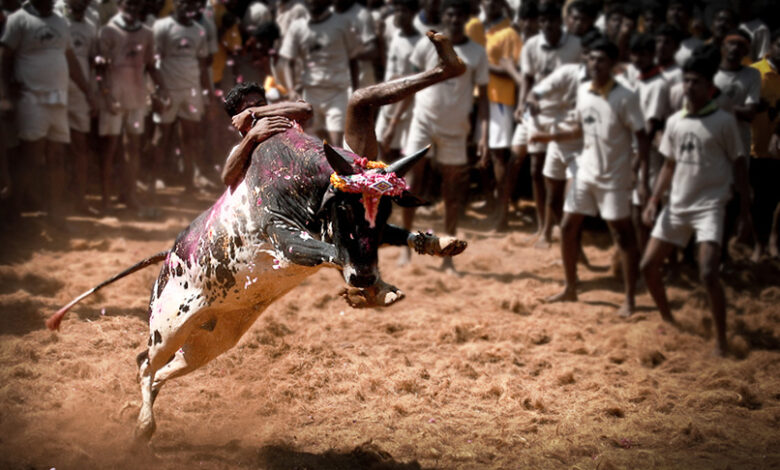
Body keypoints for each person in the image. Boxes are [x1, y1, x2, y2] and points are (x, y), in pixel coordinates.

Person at [640, 54, 752, 357]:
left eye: (696, 82)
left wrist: (744, 210)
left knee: (707, 273)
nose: (689, 86)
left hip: (710, 207)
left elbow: (739, 163)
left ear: (709, 85)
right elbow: (668, 166)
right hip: (676, 205)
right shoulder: (675, 121)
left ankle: (721, 341)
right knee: (648, 266)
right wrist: (653, 200)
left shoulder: (724, 121)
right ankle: (668, 319)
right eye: (686, 80)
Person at [546, 39, 649, 319]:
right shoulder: (583, 91)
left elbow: (642, 137)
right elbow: (579, 128)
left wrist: (640, 175)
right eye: (591, 59)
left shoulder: (626, 97)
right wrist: (551, 135)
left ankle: (629, 299)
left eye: (601, 60)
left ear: (614, 65)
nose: (594, 64)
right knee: (567, 228)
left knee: (622, 235)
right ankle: (570, 287)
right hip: (586, 171)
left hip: (615, 176)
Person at [400, 0, 488, 272]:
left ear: (466, 18)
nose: (454, 18)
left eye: (459, 13)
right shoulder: (427, 45)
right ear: (444, 16)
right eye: (450, 13)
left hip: (456, 128)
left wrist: (483, 135)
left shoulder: (477, 52)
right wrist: (394, 121)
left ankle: (447, 255)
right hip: (423, 121)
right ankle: (406, 247)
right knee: (411, 185)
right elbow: (410, 84)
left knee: (452, 192)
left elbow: (483, 100)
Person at [0, 0, 96, 223]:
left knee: (57, 157)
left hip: (58, 100)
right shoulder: (19, 20)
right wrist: (7, 90)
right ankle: (15, 212)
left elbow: (71, 60)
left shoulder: (60, 21)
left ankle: (55, 213)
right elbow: (6, 57)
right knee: (31, 156)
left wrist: (88, 92)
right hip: (31, 99)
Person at [512, 2, 580, 241]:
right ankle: (543, 226)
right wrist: (521, 104)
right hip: (538, 112)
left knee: (556, 175)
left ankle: (558, 225)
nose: (548, 25)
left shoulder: (575, 45)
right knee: (535, 170)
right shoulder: (531, 45)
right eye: (543, 21)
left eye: (552, 20)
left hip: (564, 115)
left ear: (560, 21)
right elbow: (527, 79)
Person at [97, 0, 163, 211]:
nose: (132, 9)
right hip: (114, 99)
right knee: (110, 148)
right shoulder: (108, 31)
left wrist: (163, 89)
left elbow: (151, 65)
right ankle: (106, 199)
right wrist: (107, 95)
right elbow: (100, 70)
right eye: (128, 4)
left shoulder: (146, 33)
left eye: (136, 5)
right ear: (119, 4)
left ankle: (130, 195)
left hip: (136, 98)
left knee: (133, 147)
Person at [464, 0, 521, 230]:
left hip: (499, 99)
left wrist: (482, 65)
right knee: (480, 154)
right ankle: (490, 202)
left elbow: (514, 71)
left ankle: (502, 211)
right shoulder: (475, 27)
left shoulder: (509, 34)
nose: (491, 4)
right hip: (476, 97)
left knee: (498, 156)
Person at [151, 0, 213, 192]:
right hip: (168, 87)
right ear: (175, 4)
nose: (187, 6)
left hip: (191, 89)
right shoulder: (162, 27)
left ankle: (189, 180)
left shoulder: (199, 30)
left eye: (191, 3)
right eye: (183, 2)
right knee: (162, 134)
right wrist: (156, 90)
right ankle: (156, 177)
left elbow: (202, 63)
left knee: (190, 136)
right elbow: (152, 62)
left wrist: (207, 90)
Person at [278, 0, 359, 146]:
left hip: (337, 92)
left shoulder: (342, 23)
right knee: (319, 143)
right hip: (310, 94)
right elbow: (288, 62)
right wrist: (291, 90)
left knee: (336, 144)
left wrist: (355, 91)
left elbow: (353, 60)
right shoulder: (297, 27)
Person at [626, 33, 670, 254]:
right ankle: (639, 255)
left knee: (646, 205)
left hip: (648, 153)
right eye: (634, 54)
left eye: (643, 54)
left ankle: (650, 258)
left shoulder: (658, 84)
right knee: (634, 205)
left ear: (653, 55)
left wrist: (636, 163)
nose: (638, 59)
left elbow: (651, 127)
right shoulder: (636, 77)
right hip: (631, 148)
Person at [375, 0, 422, 163]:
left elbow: (412, 86)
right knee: (382, 153)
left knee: (400, 160)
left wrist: (393, 123)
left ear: (413, 14)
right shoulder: (396, 35)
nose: (399, 15)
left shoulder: (419, 43)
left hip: (404, 112)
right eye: (397, 10)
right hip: (387, 107)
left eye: (404, 11)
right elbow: (388, 67)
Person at [63, 0, 97, 214]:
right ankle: (55, 201)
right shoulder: (59, 22)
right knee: (54, 150)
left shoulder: (91, 26)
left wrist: (91, 92)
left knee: (80, 147)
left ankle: (80, 200)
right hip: (55, 88)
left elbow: (93, 62)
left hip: (81, 93)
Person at [749, 30, 780, 260]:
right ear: (771, 45)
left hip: (777, 150)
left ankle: (773, 241)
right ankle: (757, 244)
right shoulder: (754, 72)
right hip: (753, 147)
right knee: (758, 201)